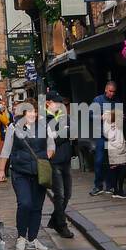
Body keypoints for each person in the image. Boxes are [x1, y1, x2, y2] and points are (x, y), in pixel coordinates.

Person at [0, 100, 55, 250]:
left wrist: (47, 156)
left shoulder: (44, 127)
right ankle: (21, 237)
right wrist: (1, 170)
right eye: (29, 111)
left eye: (34, 111)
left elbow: (51, 145)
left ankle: (33, 238)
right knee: (25, 203)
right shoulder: (14, 127)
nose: (32, 114)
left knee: (37, 206)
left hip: (39, 172)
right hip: (20, 171)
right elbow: (6, 150)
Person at [46, 94, 75, 239]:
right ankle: (62, 225)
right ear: (48, 103)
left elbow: (74, 131)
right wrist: (64, 134)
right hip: (54, 161)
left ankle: (54, 220)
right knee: (60, 195)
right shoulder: (44, 120)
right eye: (56, 103)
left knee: (67, 194)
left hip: (66, 160)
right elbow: (51, 141)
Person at [88, 79, 120, 196]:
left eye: (114, 92)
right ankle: (98, 186)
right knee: (99, 160)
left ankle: (111, 185)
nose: (112, 93)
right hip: (101, 135)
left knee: (112, 161)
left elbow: (120, 117)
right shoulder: (97, 100)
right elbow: (89, 115)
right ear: (106, 89)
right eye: (110, 91)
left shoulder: (116, 101)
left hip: (113, 135)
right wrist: (100, 117)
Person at [103, 105, 126, 200]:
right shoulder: (111, 125)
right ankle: (117, 190)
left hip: (118, 148)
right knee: (117, 169)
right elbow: (108, 135)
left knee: (119, 169)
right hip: (115, 148)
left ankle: (118, 190)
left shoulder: (117, 124)